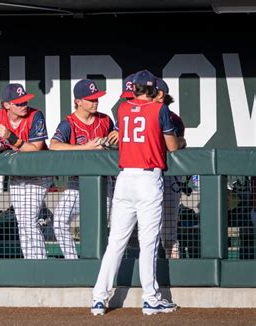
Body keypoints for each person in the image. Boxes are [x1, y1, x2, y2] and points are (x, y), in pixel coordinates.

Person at [91, 70, 179, 316]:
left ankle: (99, 298)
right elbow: (172, 146)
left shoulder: (122, 109)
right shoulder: (158, 109)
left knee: (115, 242)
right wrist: (180, 142)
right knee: (148, 242)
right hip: (148, 178)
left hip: (125, 179)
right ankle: (151, 299)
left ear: (134, 89)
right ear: (153, 90)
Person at [50, 79, 115, 259]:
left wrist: (112, 141)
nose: (96, 102)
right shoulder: (69, 122)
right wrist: (84, 147)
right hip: (76, 183)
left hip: (104, 183)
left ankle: (104, 263)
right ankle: (73, 261)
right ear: (78, 101)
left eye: (97, 98)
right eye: (91, 99)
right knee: (60, 222)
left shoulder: (105, 120)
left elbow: (117, 143)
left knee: (101, 226)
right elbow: (54, 145)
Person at [0, 83, 51, 259]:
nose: (24, 105)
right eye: (18, 103)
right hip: (17, 175)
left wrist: (12, 139)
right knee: (22, 222)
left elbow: (36, 148)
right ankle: (31, 262)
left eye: (24, 101)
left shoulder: (35, 115)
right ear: (6, 105)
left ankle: (40, 264)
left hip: (39, 173)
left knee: (28, 219)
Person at [155, 78, 187, 259]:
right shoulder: (138, 114)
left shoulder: (172, 117)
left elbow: (173, 145)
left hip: (169, 175)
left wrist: (180, 141)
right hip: (146, 173)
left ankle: (173, 268)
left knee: (168, 230)